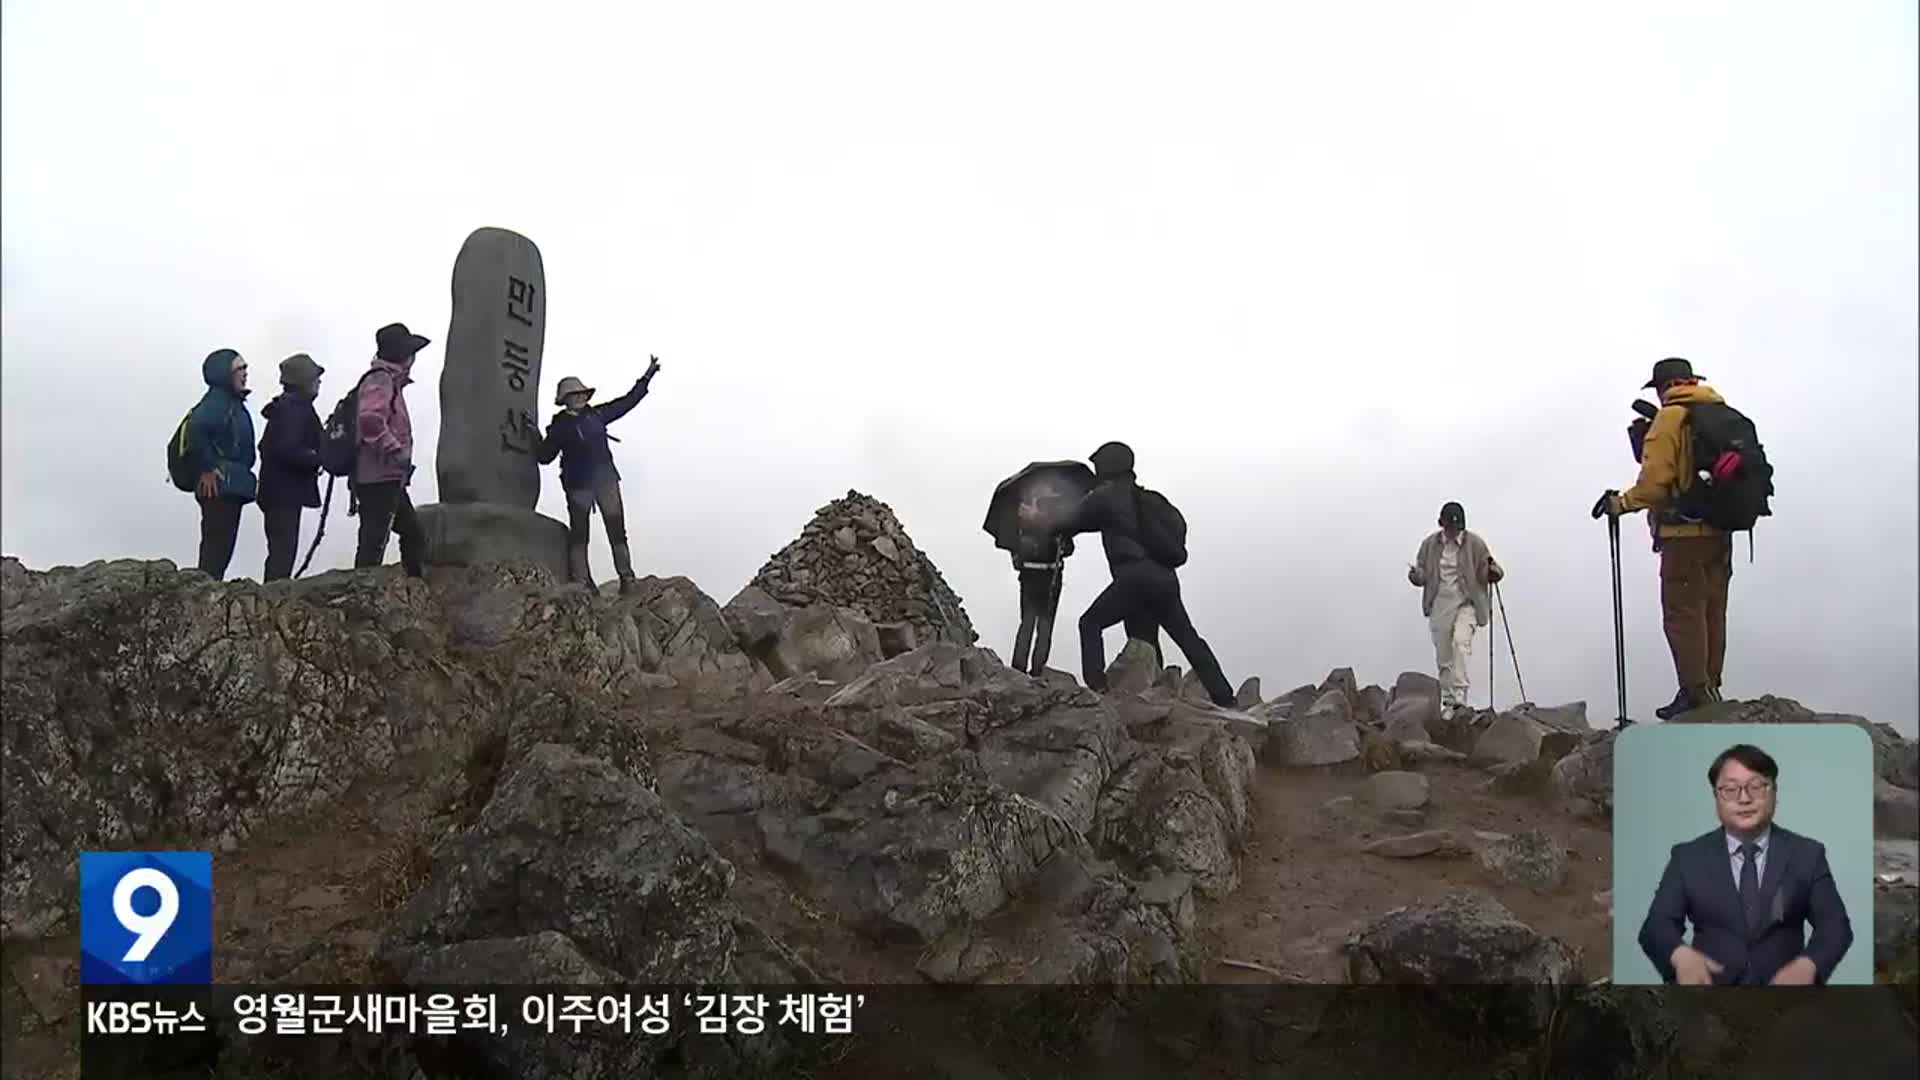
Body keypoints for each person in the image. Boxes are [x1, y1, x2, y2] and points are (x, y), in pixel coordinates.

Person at [1637, 743, 1853, 986]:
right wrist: (1680, 956)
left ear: (1774, 792)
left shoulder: (1807, 854)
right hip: (1707, 1000)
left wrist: (1809, 965)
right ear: (1716, 797)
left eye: (1756, 786)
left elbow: (1835, 927)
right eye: (1730, 789)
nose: (1744, 798)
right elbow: (1656, 925)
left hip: (1788, 1001)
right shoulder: (1687, 857)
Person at [1599, 357, 1734, 719]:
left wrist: (1620, 504)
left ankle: (1694, 695)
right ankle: (1711, 685)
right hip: (1721, 533)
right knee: (1712, 610)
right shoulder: (1720, 412)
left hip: (1683, 536)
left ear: (1665, 387)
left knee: (1682, 613)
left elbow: (1655, 484)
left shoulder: (1671, 419)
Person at [1056, 441, 1234, 707]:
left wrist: (1045, 513)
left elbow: (1069, 521)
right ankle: (1223, 696)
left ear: (1107, 465)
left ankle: (1098, 692)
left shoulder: (1105, 496)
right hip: (1165, 578)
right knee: (1178, 638)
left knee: (1090, 624)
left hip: (1134, 577)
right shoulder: (1147, 498)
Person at [537, 357, 660, 594]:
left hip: (606, 482)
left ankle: (627, 578)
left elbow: (627, 402)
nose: (581, 397)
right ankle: (583, 581)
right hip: (577, 486)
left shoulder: (598, 414)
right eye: (576, 394)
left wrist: (646, 377)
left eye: (582, 393)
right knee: (580, 534)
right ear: (566, 400)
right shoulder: (559, 427)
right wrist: (532, 437)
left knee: (616, 530)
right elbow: (545, 456)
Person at [1406, 501, 1504, 719]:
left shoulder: (1475, 544)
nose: (1452, 532)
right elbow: (1421, 573)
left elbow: (1490, 567)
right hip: (1439, 603)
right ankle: (1448, 702)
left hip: (1466, 603)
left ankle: (1460, 697)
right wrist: (1416, 576)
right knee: (1444, 656)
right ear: (1441, 524)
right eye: (1449, 527)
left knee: (1460, 642)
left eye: (1456, 528)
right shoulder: (1429, 545)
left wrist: (1493, 572)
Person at [352, 323, 428, 577]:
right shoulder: (381, 379)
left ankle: (410, 586)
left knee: (407, 533)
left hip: (385, 476)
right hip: (378, 476)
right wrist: (396, 451)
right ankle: (363, 591)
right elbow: (370, 420)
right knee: (377, 538)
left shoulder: (388, 380)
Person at [183, 348, 257, 580]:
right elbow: (196, 428)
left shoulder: (229, 402)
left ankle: (207, 591)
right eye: (239, 368)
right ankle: (203, 596)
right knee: (216, 549)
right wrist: (208, 467)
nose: (245, 373)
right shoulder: (218, 401)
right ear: (224, 374)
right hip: (220, 486)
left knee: (220, 548)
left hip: (229, 484)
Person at [257, 353, 325, 582]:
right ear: (303, 380)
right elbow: (286, 449)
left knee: (281, 551)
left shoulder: (287, 408)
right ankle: (273, 603)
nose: (319, 382)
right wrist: (317, 458)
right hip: (284, 492)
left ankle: (272, 601)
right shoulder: (295, 409)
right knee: (283, 553)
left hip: (277, 491)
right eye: (315, 377)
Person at [1009, 490, 1075, 676]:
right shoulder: (1021, 526)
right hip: (1032, 578)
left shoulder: (1057, 525)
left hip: (1049, 578)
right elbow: (1015, 555)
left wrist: (1058, 541)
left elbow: (1069, 548)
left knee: (1043, 626)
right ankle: (1020, 669)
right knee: (1029, 623)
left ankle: (1036, 669)